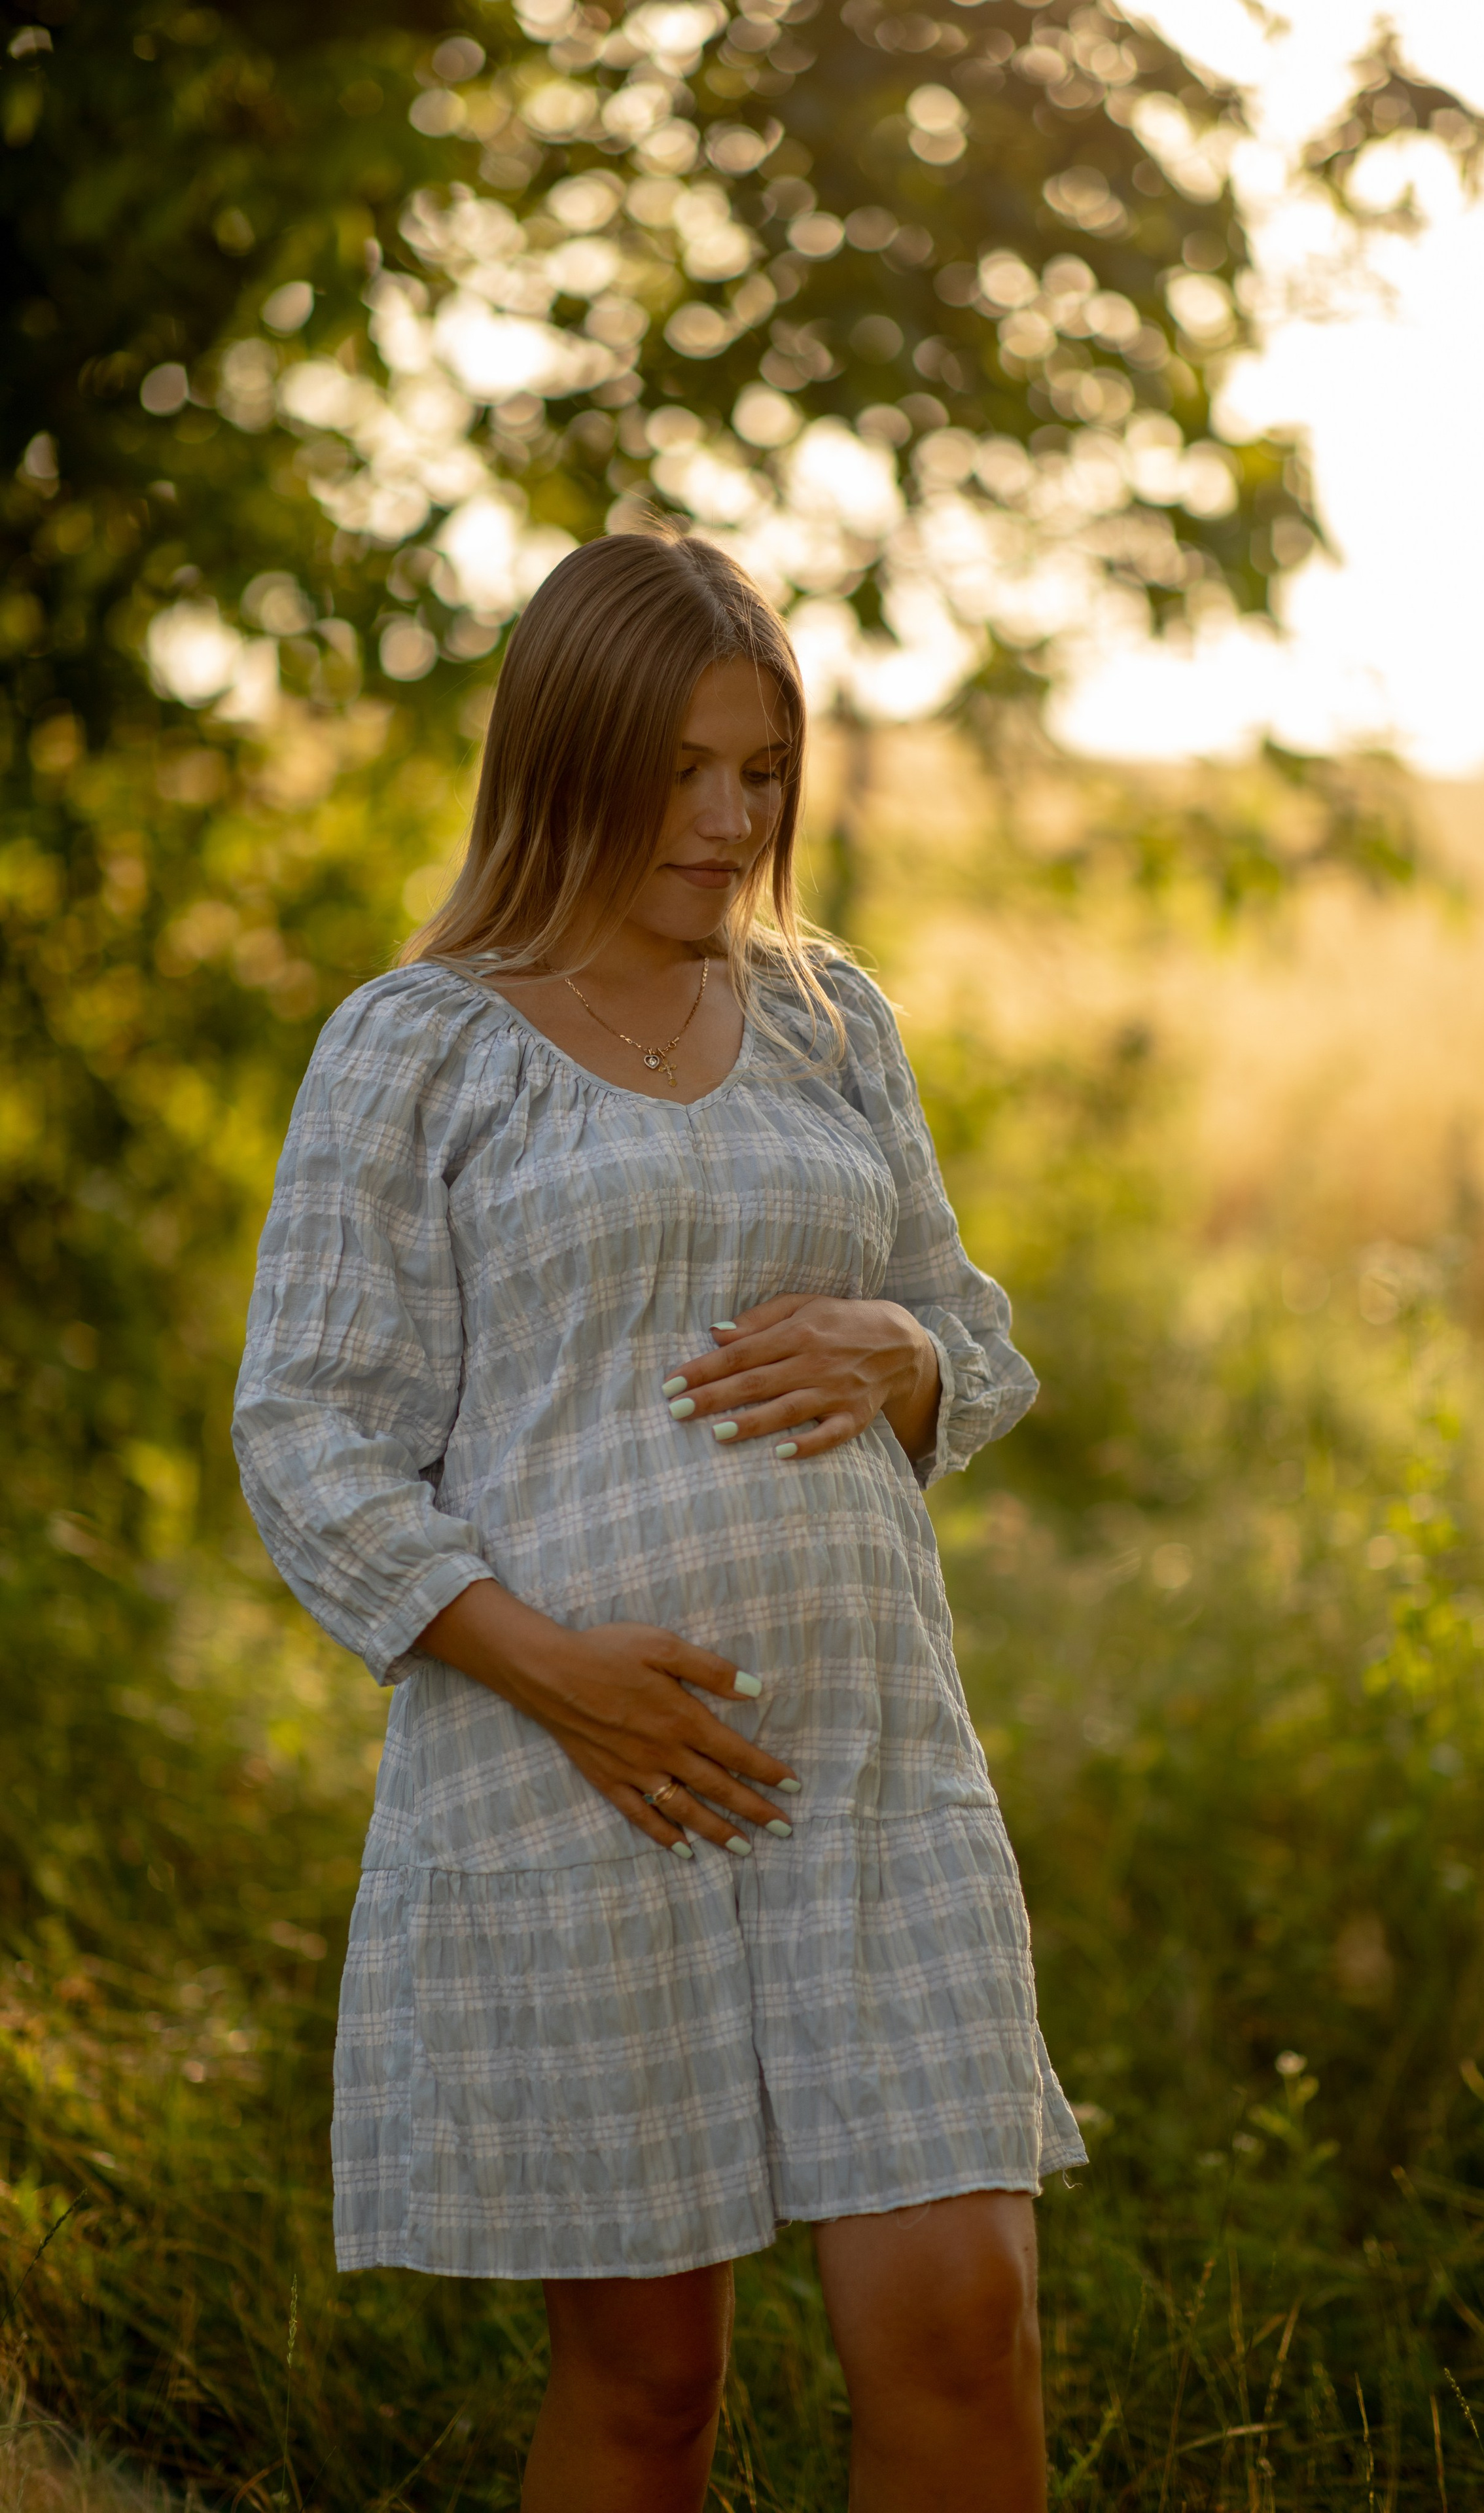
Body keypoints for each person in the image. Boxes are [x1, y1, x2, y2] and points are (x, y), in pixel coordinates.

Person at [232, 527, 1084, 2513]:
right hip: (574, 1785)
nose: (729, 820)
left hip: (874, 1768)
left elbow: (972, 1332)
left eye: (761, 772)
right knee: (651, 2386)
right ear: (566, 762)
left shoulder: (830, 1020)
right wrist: (556, 1677)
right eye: (684, 770)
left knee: (960, 2318)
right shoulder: (418, 1044)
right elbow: (309, 1433)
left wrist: (902, 1346)